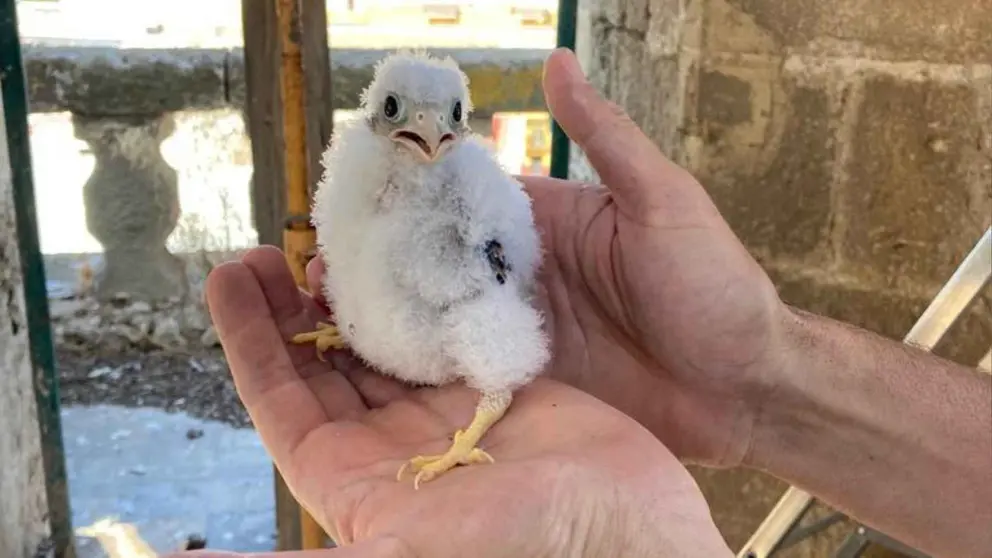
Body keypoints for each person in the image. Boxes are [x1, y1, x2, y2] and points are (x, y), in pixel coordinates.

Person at [177, 48, 991, 558]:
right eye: (399, 116)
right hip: (409, 315)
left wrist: (476, 431)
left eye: (447, 120)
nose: (426, 135)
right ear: (375, 117)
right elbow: (353, 251)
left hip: (471, 320)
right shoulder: (360, 181)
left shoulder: (464, 203)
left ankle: (483, 412)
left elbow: (486, 277)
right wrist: (767, 379)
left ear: (461, 125)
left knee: (460, 292)